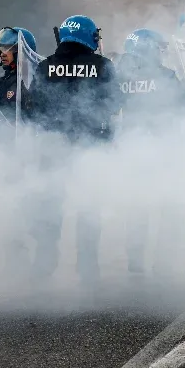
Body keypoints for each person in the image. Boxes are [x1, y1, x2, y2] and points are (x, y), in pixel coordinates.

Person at [24, 15, 121, 287]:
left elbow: (33, 107)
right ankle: (88, 267)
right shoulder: (103, 66)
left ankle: (44, 263)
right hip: (90, 146)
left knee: (50, 206)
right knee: (89, 207)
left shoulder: (45, 67)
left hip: (52, 147)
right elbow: (115, 103)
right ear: (90, 36)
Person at [117, 28, 185, 275]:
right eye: (157, 49)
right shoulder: (166, 77)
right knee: (168, 206)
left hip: (132, 151)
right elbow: (183, 106)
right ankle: (164, 261)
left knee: (137, 209)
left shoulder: (121, 79)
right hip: (163, 151)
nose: (161, 54)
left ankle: (134, 261)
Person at [0, 27, 38, 123]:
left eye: (7, 48)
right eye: (0, 49)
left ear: (21, 50)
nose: (2, 54)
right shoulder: (0, 83)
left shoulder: (32, 82)